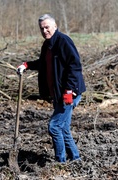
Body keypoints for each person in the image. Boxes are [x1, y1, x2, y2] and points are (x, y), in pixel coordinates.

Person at [17, 14, 86, 163]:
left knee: (54, 126)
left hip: (69, 93)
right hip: (58, 94)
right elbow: (43, 63)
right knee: (63, 128)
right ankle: (76, 159)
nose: (45, 31)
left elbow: (75, 66)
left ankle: (60, 162)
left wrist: (70, 90)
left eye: (47, 27)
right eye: (42, 28)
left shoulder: (63, 41)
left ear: (55, 26)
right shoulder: (47, 45)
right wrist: (27, 65)